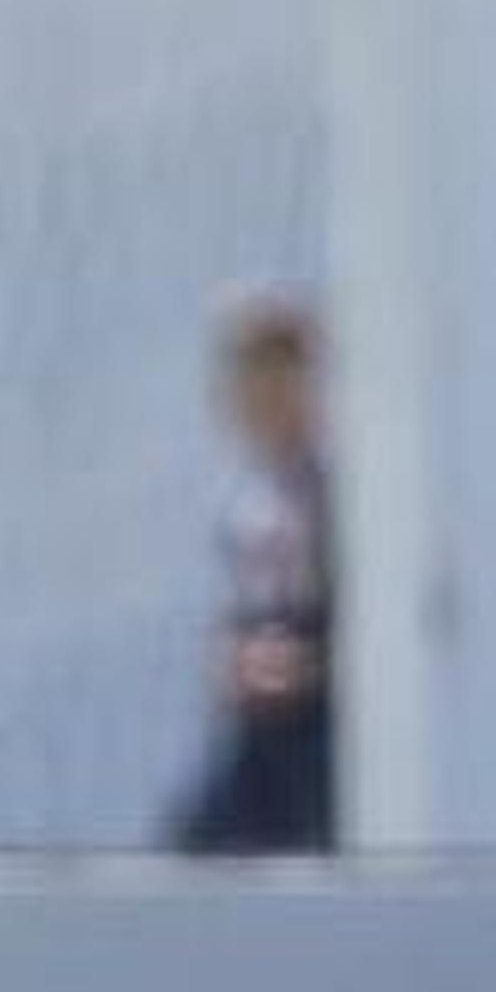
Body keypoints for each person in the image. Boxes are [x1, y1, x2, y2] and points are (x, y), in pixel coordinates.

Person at [169, 288, 335, 854]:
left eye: (281, 377)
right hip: (261, 720)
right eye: (251, 378)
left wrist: (305, 662)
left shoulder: (333, 493)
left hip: (314, 724)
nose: (265, 397)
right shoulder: (240, 494)